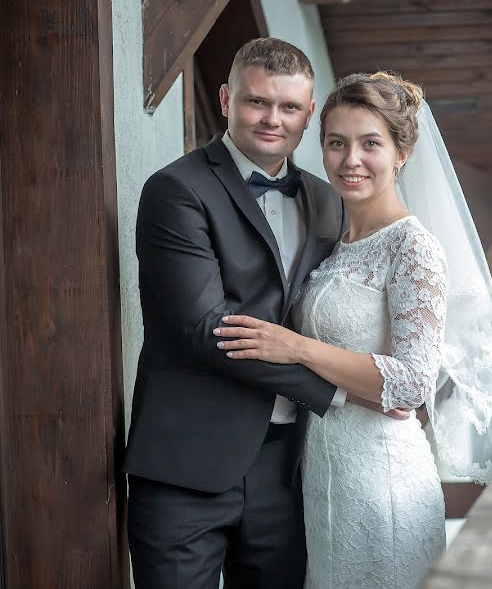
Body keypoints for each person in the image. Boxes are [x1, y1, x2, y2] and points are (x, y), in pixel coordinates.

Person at [123, 38, 407, 589]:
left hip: (291, 470)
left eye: (289, 108)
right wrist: (346, 392)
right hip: (187, 468)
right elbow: (208, 330)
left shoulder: (329, 202)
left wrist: (395, 376)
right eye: (257, 102)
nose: (271, 119)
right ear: (227, 98)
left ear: (308, 115)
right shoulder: (176, 190)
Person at [213, 71, 492, 589]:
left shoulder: (412, 248)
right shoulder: (334, 241)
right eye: (337, 143)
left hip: (384, 479)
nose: (351, 160)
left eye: (370, 143)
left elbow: (413, 383)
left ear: (400, 153)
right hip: (324, 475)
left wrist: (295, 347)